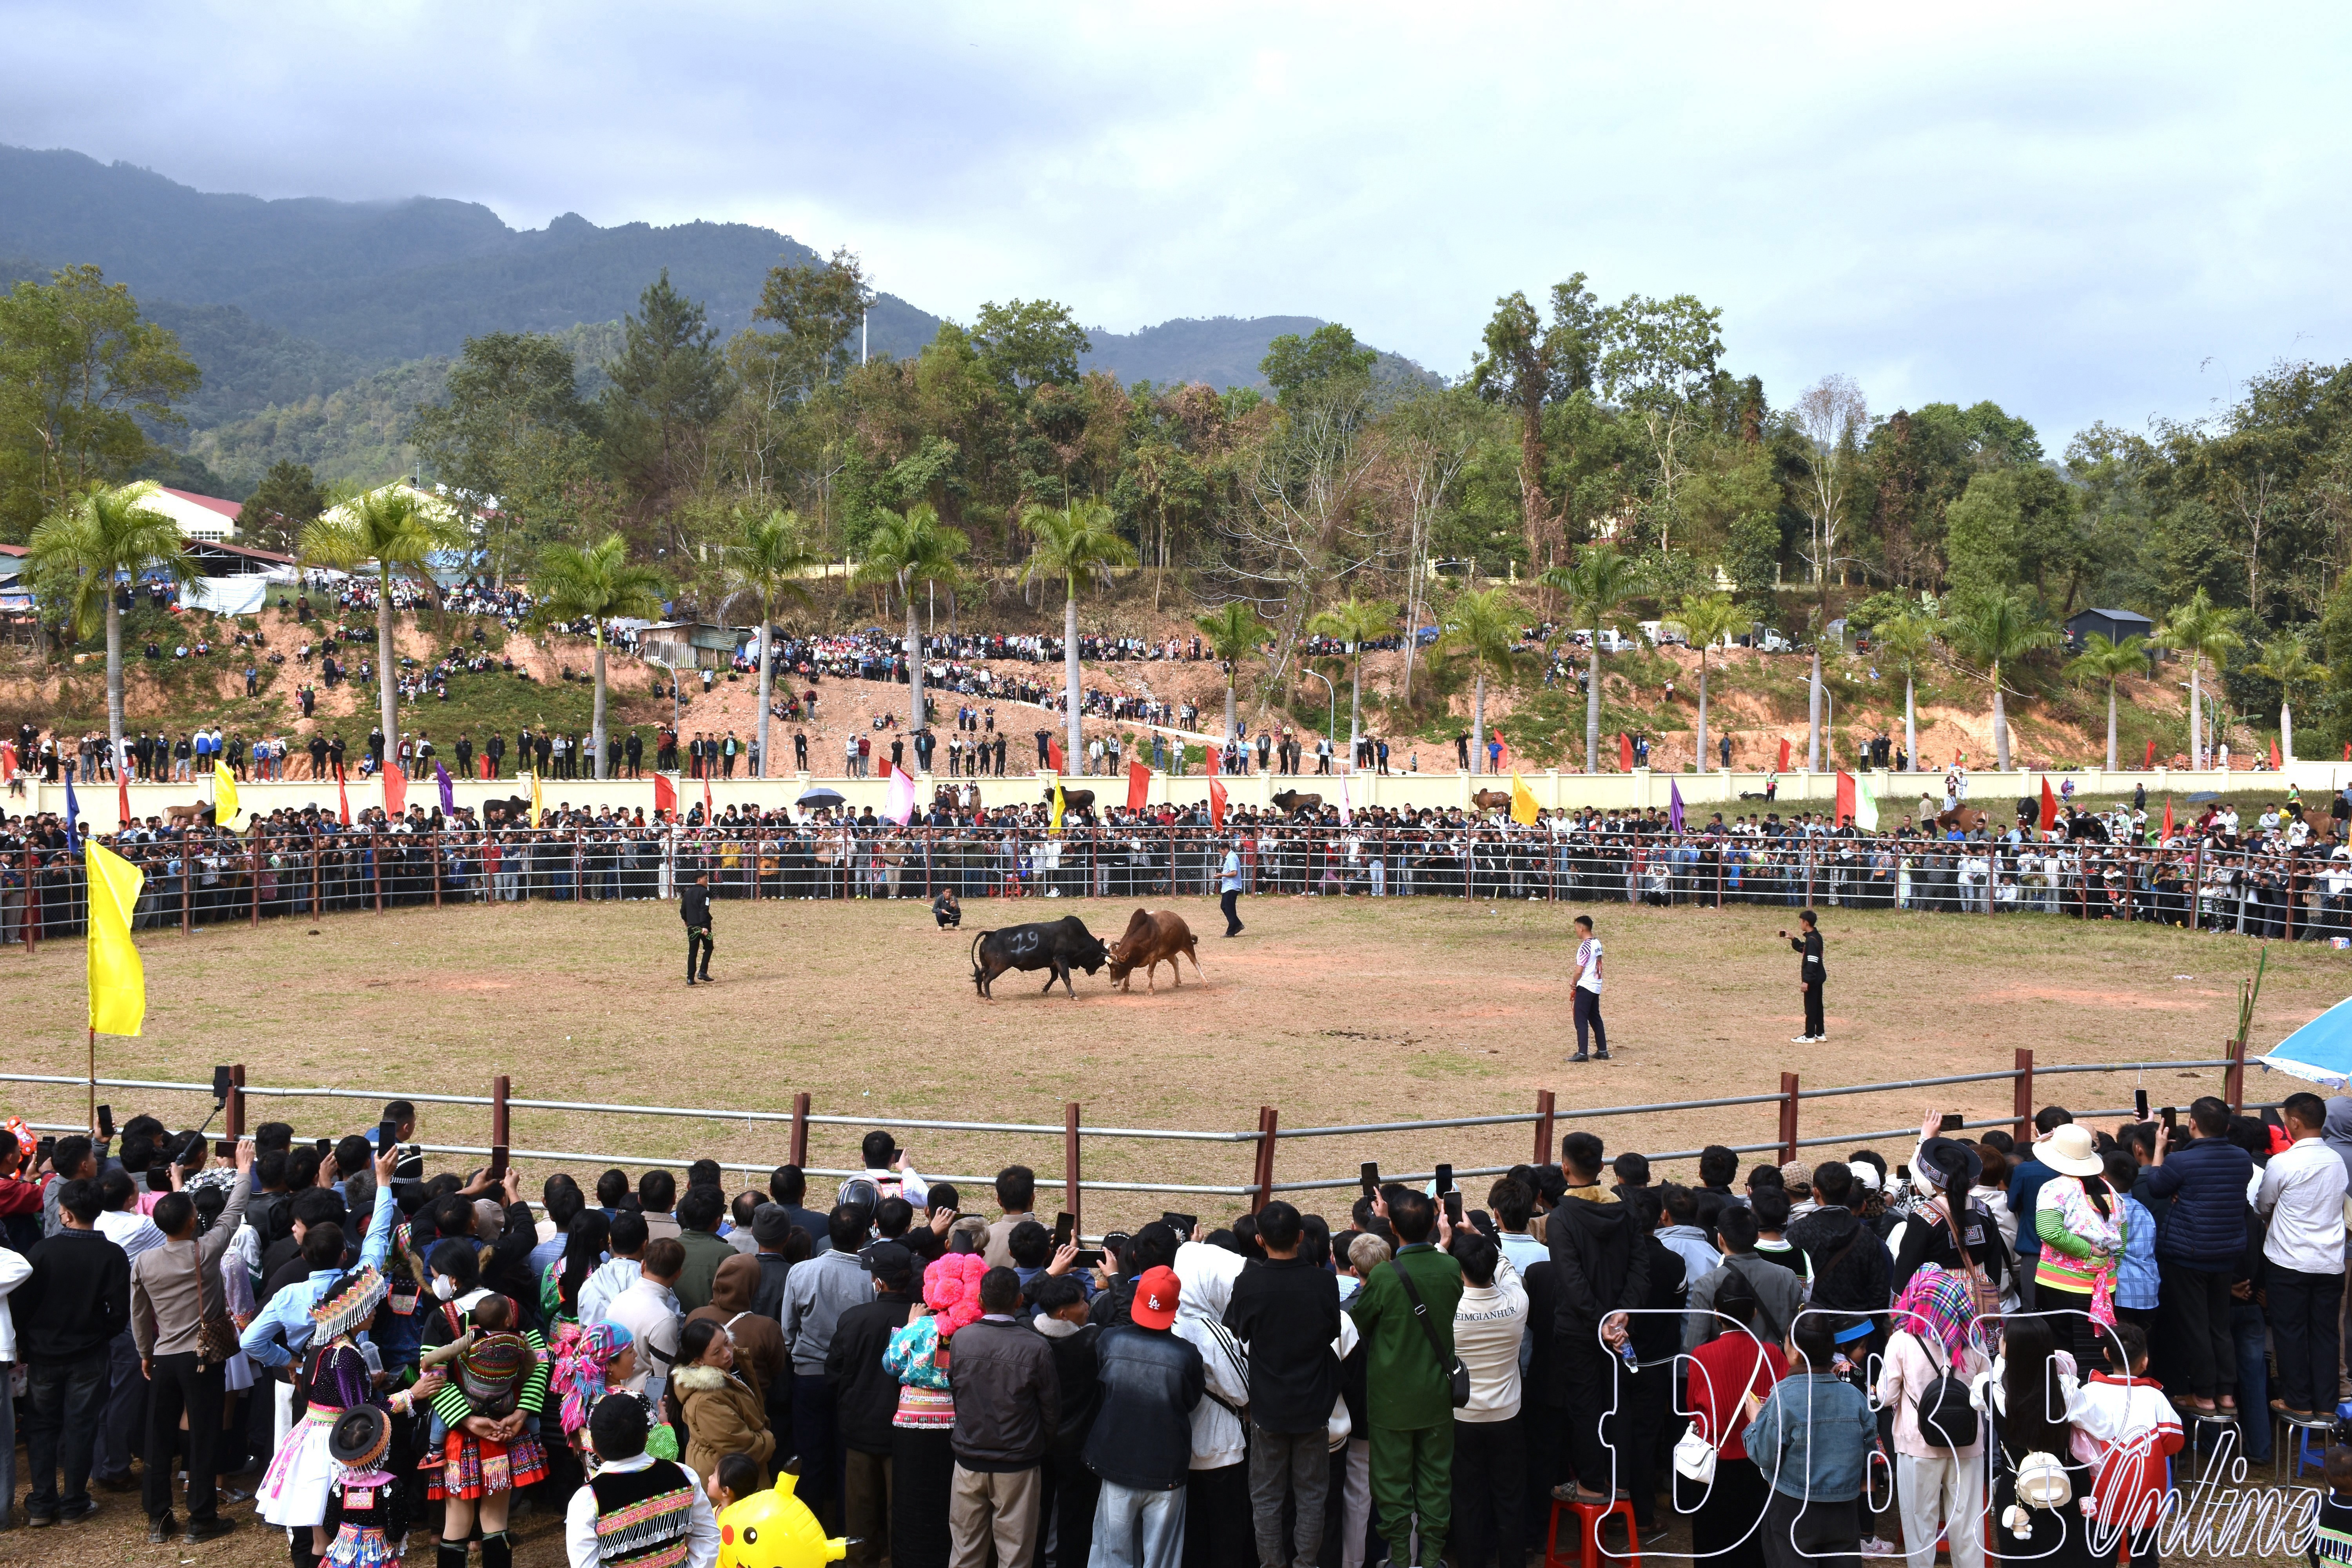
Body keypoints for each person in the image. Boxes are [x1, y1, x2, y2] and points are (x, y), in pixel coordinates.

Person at [129, 1137, 254, 1543]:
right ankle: (202, 1517)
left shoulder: (145, 1261)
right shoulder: (205, 1251)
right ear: (191, 1221)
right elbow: (234, 1211)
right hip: (203, 1356)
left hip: (164, 1357)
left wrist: (146, 1353)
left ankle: (159, 1517)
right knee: (204, 1435)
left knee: (159, 1436)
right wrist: (244, 1170)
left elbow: (140, 1314)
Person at [1348, 1188, 1463, 1568]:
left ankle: (1400, 1558)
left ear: (1392, 1227)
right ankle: (1430, 1558)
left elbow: (1360, 1321)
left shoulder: (1382, 1275)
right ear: (1434, 1221)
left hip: (1391, 1399)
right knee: (1435, 1481)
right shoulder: (1450, 1268)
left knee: (1392, 1483)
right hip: (1436, 1396)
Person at [1222, 1200, 1340, 1568]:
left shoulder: (1250, 1283)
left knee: (1267, 1496)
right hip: (1313, 1405)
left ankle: (1272, 1564)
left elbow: (1236, 1330)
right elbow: (1333, 1331)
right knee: (1311, 1495)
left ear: (1260, 1240)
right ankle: (1306, 1564)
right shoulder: (1323, 1282)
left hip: (1268, 1407)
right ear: (1300, 1237)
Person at [15, 1176, 131, 1527]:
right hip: (89, 1354)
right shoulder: (112, 1254)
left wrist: (27, 1343)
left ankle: (41, 1503)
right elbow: (119, 1312)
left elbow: (22, 1304)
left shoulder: (43, 1251)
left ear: (64, 1213)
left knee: (41, 1427)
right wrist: (99, 1335)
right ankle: (74, 1502)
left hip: (44, 1356)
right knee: (81, 1426)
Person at [1087, 1264, 1202, 1568]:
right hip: (1167, 1468)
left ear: (1138, 1296)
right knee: (1162, 1559)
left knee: (1113, 1556)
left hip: (1115, 1462)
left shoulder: (1110, 1341)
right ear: (1175, 1307)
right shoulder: (1187, 1355)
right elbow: (1191, 1402)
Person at [944, 1267, 1058, 1568]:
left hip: (970, 1458)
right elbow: (1050, 1410)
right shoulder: (1036, 1347)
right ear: (1019, 1301)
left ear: (980, 1300)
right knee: (1015, 1556)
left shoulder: (962, 1340)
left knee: (965, 1551)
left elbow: (957, 1392)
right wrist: (1037, 1447)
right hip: (1017, 1463)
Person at [1875, 1266, 1987, 1568]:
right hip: (1967, 1443)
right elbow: (1987, 1393)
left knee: (1919, 1523)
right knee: (1968, 1523)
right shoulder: (1974, 1339)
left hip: (1917, 1443)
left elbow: (1885, 1397)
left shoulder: (1901, 1341)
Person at [1743, 1312, 1875, 1568]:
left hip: (1793, 1509)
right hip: (1844, 1510)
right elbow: (1869, 1454)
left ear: (1794, 1353)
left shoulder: (1783, 1397)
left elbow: (1763, 1454)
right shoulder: (1855, 1397)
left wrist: (1755, 1422)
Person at [884, 1251, 987, 1568]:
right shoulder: (974, 1328)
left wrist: (907, 1327)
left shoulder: (921, 1327)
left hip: (912, 1422)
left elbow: (891, 1364)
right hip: (958, 1421)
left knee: (911, 1497)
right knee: (949, 1497)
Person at [1677, 1272, 1785, 1568]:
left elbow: (1693, 1411)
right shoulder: (1773, 1355)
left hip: (1713, 1466)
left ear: (1716, 1315)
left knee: (1713, 1546)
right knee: (1756, 1547)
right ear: (1753, 1313)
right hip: (1760, 1467)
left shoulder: (1701, 1355)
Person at [826, 1240, 920, 1568]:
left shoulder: (854, 1318)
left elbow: (833, 1371)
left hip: (860, 1430)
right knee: (903, 1511)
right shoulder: (925, 1322)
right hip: (907, 1430)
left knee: (860, 1512)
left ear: (878, 1282)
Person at [2256, 1091, 2348, 1418]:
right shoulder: (2336, 1160)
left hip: (2290, 1260)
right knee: (2325, 1332)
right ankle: (2326, 1404)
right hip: (2329, 1260)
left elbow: (2264, 1203)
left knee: (2290, 1330)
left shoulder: (2284, 1162)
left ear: (2294, 1122)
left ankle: (2297, 1399)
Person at [563, 1387, 720, 1568]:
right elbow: (707, 1536)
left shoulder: (587, 1501)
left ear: (593, 1445)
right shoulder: (684, 1476)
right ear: (646, 1438)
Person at [672, 1317, 774, 1487]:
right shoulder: (707, 1400)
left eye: (727, 1343)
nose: (727, 1353)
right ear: (699, 1361)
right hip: (726, 1479)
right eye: (717, 1352)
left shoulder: (728, 1369)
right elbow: (742, 1448)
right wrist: (768, 1439)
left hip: (734, 1471)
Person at [1780, 909, 1826, 1043]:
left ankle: (1809, 1035)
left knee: (1810, 1008)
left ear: (1806, 923)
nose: (1800, 924)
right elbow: (1805, 950)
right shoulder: (1815, 937)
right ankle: (1820, 1033)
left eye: (1800, 922)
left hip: (1812, 979)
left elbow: (1812, 961)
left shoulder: (1811, 941)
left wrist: (1806, 981)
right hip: (1819, 978)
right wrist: (1794, 940)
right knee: (1818, 1006)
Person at [1570, 914, 1609, 1063]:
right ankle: (1603, 1050)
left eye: (1576, 929)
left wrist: (1574, 982)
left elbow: (1580, 969)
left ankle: (1582, 1053)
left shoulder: (1585, 946)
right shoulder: (1597, 943)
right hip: (1596, 985)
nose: (1576, 932)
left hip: (1586, 986)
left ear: (1581, 928)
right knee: (1595, 1018)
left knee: (1581, 1020)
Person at [681, 869, 713, 985]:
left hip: (692, 927)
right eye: (706, 878)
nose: (707, 881)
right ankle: (703, 972)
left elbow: (683, 909)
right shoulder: (705, 893)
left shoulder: (688, 893)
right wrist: (705, 926)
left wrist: (686, 920)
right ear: (700, 880)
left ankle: (690, 978)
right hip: (703, 926)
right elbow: (704, 909)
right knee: (709, 947)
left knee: (693, 951)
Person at [1220, 837, 1245, 937]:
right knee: (1225, 907)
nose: (1221, 854)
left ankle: (1231, 932)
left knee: (1230, 909)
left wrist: (1221, 875)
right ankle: (1238, 925)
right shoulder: (1230, 857)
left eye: (1222, 852)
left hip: (1232, 887)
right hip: (1228, 887)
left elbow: (1234, 873)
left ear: (1226, 849)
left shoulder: (1231, 858)